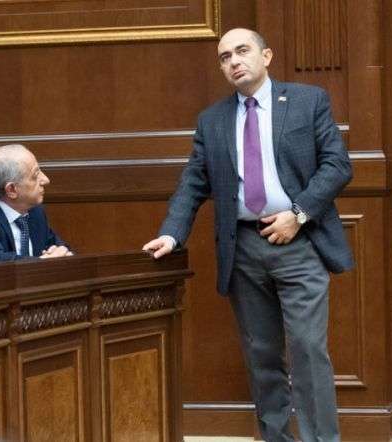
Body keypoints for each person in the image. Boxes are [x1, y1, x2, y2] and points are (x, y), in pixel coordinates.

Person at [142, 28, 354, 442]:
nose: (234, 61)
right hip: (243, 249)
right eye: (225, 57)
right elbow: (193, 182)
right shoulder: (212, 121)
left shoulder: (308, 101)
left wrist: (298, 215)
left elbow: (337, 166)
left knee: (308, 351)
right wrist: (171, 234)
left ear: (266, 56)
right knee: (262, 355)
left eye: (242, 51)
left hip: (298, 242)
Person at [0, 144, 71, 263]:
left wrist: (63, 253)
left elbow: (60, 248)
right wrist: (42, 262)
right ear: (11, 190)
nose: (46, 180)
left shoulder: (33, 209)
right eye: (35, 175)